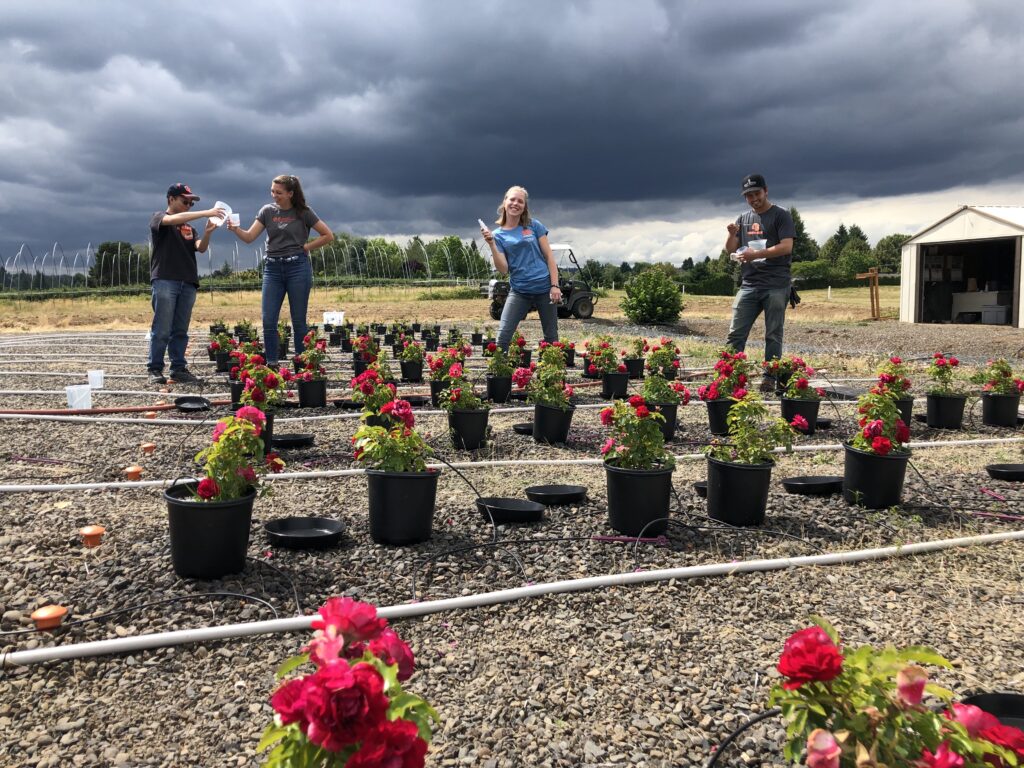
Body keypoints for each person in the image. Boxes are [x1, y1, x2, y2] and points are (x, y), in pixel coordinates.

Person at [227, 174, 333, 366]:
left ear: (291, 194)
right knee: (268, 320)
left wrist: (306, 247)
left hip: (297, 268)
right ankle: (272, 363)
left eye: (279, 192)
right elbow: (250, 237)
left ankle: (303, 364)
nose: (274, 195)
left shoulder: (304, 212)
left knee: (299, 320)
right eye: (272, 191)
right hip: (273, 269)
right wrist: (236, 230)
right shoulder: (267, 211)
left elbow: (327, 235)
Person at [147, 183, 224, 385]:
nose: (189, 205)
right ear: (171, 199)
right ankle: (155, 369)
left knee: (180, 329)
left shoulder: (190, 227)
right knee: (162, 328)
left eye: (191, 202)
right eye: (185, 201)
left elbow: (200, 248)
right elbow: (171, 219)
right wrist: (206, 212)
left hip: (187, 282)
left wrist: (207, 232)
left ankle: (178, 368)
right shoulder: (159, 218)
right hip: (165, 279)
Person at [724, 173, 796, 373]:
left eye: (757, 193)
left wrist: (756, 255)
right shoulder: (743, 219)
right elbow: (731, 250)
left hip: (776, 284)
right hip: (749, 284)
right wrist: (731, 236)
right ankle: (730, 374)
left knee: (773, 334)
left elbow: (786, 247)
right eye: (749, 196)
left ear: (766, 191)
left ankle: (770, 376)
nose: (754, 199)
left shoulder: (781, 215)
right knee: (735, 333)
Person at [480, 185, 561, 351]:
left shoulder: (533, 226)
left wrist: (555, 285)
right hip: (519, 291)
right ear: (505, 202)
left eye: (520, 201)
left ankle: (554, 374)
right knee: (503, 337)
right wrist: (492, 245)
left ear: (524, 206)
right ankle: (500, 373)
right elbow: (503, 269)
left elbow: (549, 258)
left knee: (551, 337)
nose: (515, 203)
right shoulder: (497, 235)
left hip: (544, 288)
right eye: (512, 199)